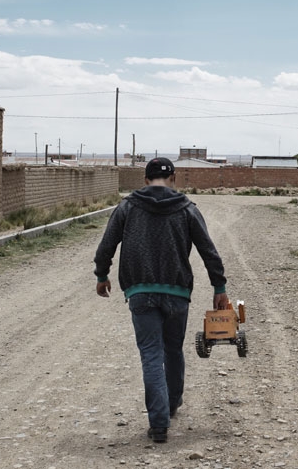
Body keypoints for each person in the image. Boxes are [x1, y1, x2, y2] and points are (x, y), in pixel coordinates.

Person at [93, 157, 228, 444]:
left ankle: (158, 423)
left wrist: (101, 274)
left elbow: (107, 244)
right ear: (174, 179)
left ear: (145, 180)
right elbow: (208, 250)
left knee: (151, 353)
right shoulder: (187, 209)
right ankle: (172, 403)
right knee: (173, 349)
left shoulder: (128, 206)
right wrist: (219, 286)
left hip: (140, 292)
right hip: (177, 292)